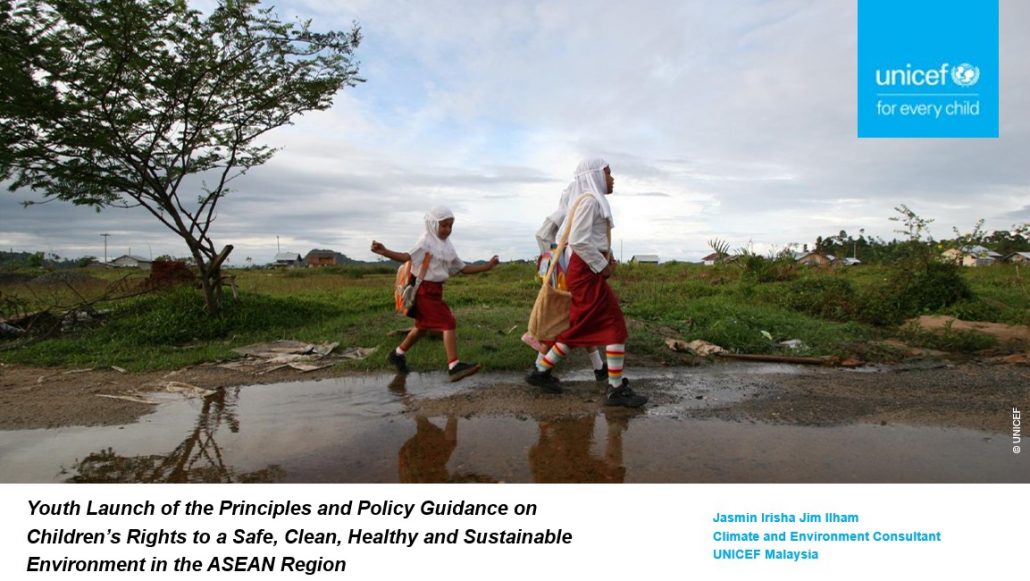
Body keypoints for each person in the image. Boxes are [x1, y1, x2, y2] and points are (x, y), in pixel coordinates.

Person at [525, 158, 647, 407]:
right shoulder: (590, 201)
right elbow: (579, 240)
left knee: (579, 327)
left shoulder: (592, 201)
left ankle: (541, 370)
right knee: (614, 324)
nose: (612, 178)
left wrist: (605, 258)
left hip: (584, 271)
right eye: (608, 173)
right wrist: (602, 267)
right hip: (586, 272)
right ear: (595, 175)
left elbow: (590, 239)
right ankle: (615, 388)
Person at [371, 206, 499, 382]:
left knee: (422, 327)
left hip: (435, 291)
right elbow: (406, 257)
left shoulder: (447, 247)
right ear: (433, 224)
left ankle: (397, 354)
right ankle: (454, 366)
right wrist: (385, 251)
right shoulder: (425, 243)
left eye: (450, 226)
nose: (447, 230)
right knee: (448, 322)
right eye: (443, 225)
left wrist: (487, 266)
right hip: (424, 291)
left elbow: (463, 268)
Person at [528, 181, 607, 383]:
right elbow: (544, 237)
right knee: (563, 321)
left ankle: (598, 367)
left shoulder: (570, 211)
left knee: (578, 321)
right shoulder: (566, 213)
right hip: (563, 273)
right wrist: (554, 259)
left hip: (563, 270)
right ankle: (539, 369)